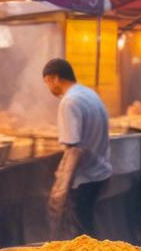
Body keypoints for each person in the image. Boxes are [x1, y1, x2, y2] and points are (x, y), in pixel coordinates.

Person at [42, 58, 113, 236]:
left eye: (47, 82)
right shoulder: (90, 94)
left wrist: (61, 188)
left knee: (80, 234)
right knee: (87, 227)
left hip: (83, 178)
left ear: (55, 78)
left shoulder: (69, 102)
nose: (48, 88)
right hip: (100, 172)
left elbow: (72, 147)